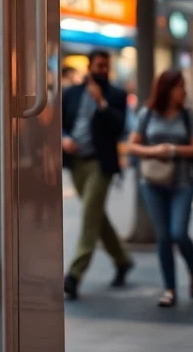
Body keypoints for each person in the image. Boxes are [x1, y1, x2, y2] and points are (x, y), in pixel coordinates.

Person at [125, 70, 193, 307]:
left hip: (182, 183)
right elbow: (132, 145)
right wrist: (154, 151)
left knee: (179, 233)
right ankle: (169, 288)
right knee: (163, 236)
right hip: (153, 183)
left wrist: (172, 150)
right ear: (167, 89)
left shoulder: (187, 115)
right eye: (180, 87)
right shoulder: (147, 113)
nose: (184, 91)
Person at [61, 49, 132, 299]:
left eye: (107, 66)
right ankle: (122, 260)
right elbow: (59, 123)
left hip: (101, 165)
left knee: (89, 215)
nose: (103, 70)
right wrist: (64, 139)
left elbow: (120, 126)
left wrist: (102, 102)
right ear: (89, 66)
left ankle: (74, 275)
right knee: (97, 216)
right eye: (99, 65)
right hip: (77, 163)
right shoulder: (71, 93)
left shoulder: (116, 95)